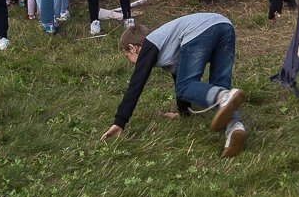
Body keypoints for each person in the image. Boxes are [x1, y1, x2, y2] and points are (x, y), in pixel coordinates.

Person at [100, 14, 248, 158]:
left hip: (203, 29)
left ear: (133, 48)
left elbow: (136, 84)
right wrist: (184, 113)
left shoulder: (149, 45)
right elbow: (179, 74)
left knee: (186, 87)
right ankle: (235, 128)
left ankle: (223, 97)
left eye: (128, 57)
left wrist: (120, 121)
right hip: (225, 25)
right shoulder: (167, 45)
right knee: (219, 86)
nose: (130, 62)